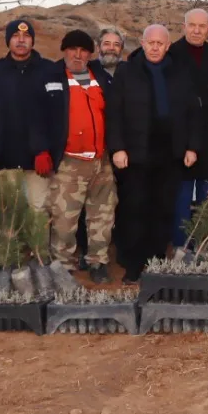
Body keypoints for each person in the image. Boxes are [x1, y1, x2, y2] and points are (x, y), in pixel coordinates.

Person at [106, 24, 199, 280]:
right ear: (142, 44)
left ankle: (156, 259)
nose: (155, 47)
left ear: (168, 45)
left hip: (170, 152)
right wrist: (117, 148)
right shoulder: (127, 72)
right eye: (151, 43)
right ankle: (133, 264)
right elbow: (114, 113)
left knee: (163, 207)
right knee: (135, 208)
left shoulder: (180, 72)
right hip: (136, 153)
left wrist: (192, 147)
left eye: (160, 43)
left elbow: (193, 113)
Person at [35, 30, 116, 283]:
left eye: (83, 50)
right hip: (70, 161)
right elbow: (36, 117)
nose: (78, 55)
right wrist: (41, 149)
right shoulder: (51, 77)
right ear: (64, 51)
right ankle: (63, 267)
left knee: (102, 216)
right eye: (73, 49)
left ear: (91, 54)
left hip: (101, 161)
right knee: (64, 219)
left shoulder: (100, 77)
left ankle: (97, 262)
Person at [169, 8, 208, 247]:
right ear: (183, 26)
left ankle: (205, 244)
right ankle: (181, 246)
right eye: (192, 25)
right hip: (180, 137)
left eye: (202, 26)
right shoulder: (171, 53)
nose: (196, 30)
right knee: (181, 197)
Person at [0, 18, 53, 214]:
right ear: (8, 40)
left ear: (32, 40)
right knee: (7, 216)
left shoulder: (50, 70)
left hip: (38, 163)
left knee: (38, 214)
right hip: (3, 161)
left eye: (26, 36)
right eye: (15, 35)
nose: (21, 40)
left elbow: (56, 115)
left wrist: (46, 150)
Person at [80, 24, 126, 266]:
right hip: (92, 147)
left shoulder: (128, 72)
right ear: (98, 47)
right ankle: (83, 250)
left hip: (122, 147)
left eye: (116, 44)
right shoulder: (86, 71)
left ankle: (115, 247)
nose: (111, 48)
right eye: (107, 43)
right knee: (87, 202)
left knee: (117, 201)